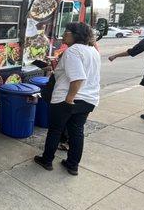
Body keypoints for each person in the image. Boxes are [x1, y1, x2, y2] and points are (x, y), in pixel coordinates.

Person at [34, 22, 101, 175]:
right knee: (76, 132)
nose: (64, 35)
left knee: (55, 131)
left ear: (75, 35)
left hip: (68, 99)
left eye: (67, 32)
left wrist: (69, 100)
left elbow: (77, 78)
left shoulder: (73, 51)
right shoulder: (92, 51)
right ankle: (72, 165)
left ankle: (47, 160)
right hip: (88, 99)